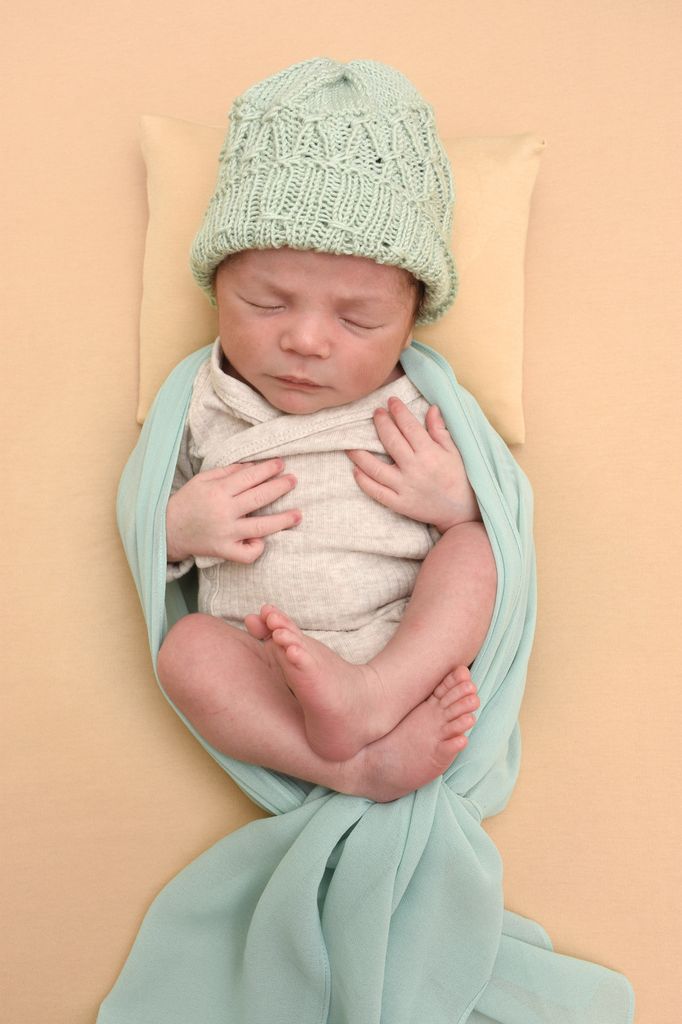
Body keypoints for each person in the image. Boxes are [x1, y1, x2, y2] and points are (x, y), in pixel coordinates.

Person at [156, 58, 497, 803]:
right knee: (186, 651)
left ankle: (374, 695)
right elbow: (144, 519)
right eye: (267, 304)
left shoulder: (420, 401)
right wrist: (178, 529)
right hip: (261, 657)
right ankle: (353, 766)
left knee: (476, 555)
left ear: (410, 324)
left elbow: (508, 521)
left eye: (358, 319)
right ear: (217, 288)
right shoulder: (204, 400)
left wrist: (459, 505)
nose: (306, 341)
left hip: (401, 643)